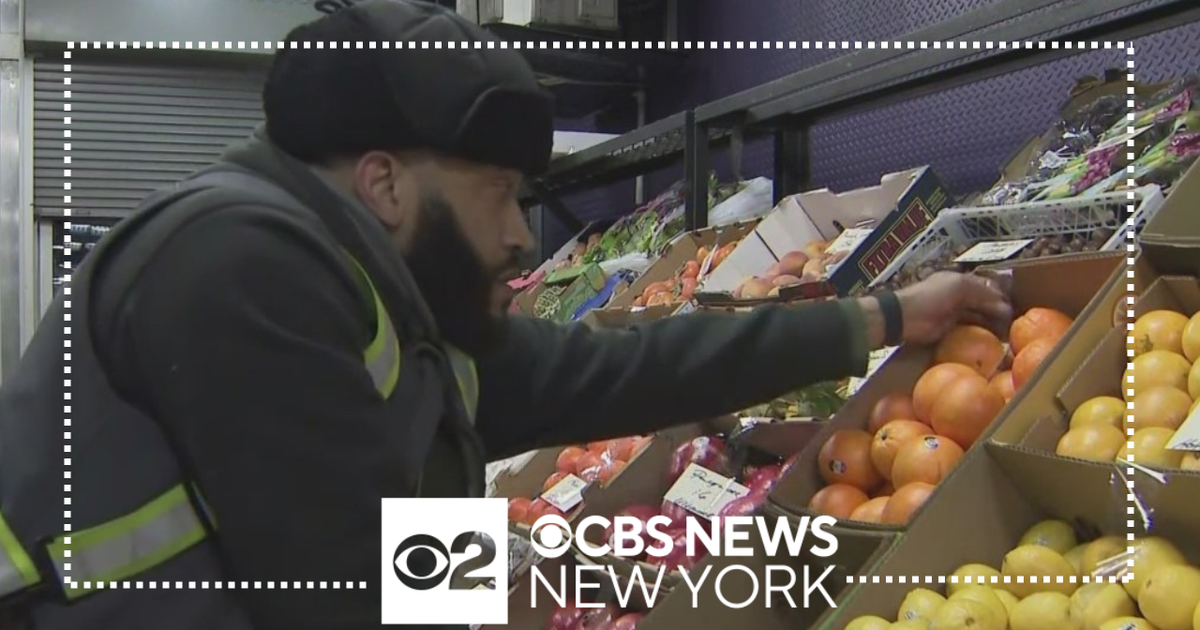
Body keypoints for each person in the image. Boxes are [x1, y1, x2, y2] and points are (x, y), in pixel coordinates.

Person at [0, 1, 1012, 628]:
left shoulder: (383, 306)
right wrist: (578, 576)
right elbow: (349, 582)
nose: (523, 238)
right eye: (498, 196)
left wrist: (877, 318)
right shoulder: (241, 265)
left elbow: (612, 369)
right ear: (388, 185)